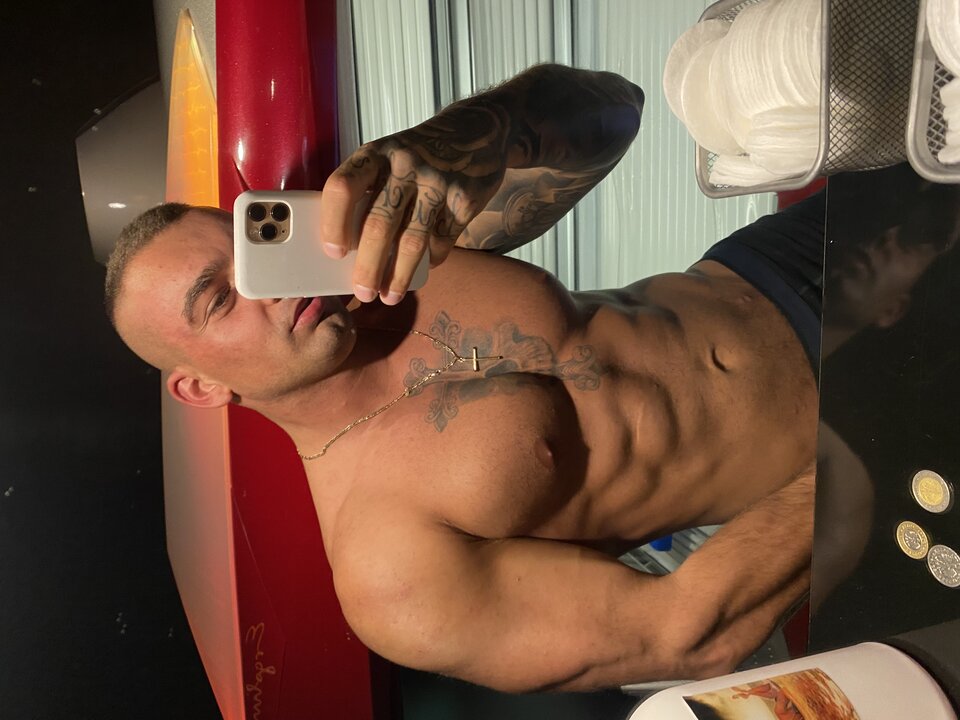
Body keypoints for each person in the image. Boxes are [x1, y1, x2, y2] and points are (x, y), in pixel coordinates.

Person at [105, 64, 819, 693]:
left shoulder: (400, 252)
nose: (267, 288)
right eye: (220, 300)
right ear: (200, 387)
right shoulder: (388, 572)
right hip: (833, 433)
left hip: (779, 257)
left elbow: (618, 109)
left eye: (252, 253)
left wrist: (472, 135)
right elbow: (687, 633)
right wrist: (855, 448)